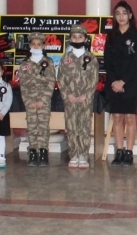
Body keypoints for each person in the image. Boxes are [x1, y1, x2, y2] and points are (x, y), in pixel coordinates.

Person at [103, 1, 137, 167]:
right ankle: (119, 151)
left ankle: (129, 152)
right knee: (117, 117)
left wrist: (123, 81)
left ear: (130, 15)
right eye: (118, 13)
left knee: (130, 117)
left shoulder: (136, 35)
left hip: (131, 82)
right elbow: (107, 61)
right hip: (114, 83)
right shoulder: (111, 36)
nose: (121, 16)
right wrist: (115, 81)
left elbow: (136, 63)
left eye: (124, 13)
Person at [58, 24, 99, 169]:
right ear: (70, 39)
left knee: (84, 127)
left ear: (85, 39)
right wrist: (67, 95)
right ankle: (74, 154)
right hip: (70, 100)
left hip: (85, 100)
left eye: (80, 37)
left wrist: (85, 95)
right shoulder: (65, 58)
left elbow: (94, 79)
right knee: (71, 127)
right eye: (74, 37)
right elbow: (61, 78)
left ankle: (83, 155)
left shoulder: (91, 58)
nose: (77, 39)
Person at [16, 32, 54, 167]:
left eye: (39, 44)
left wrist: (43, 100)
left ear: (43, 46)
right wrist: (28, 101)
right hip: (30, 101)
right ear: (29, 46)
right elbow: (23, 85)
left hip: (44, 101)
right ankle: (33, 153)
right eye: (33, 44)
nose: (36, 47)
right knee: (32, 127)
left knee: (43, 127)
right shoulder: (24, 64)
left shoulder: (48, 62)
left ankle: (43, 153)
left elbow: (50, 83)